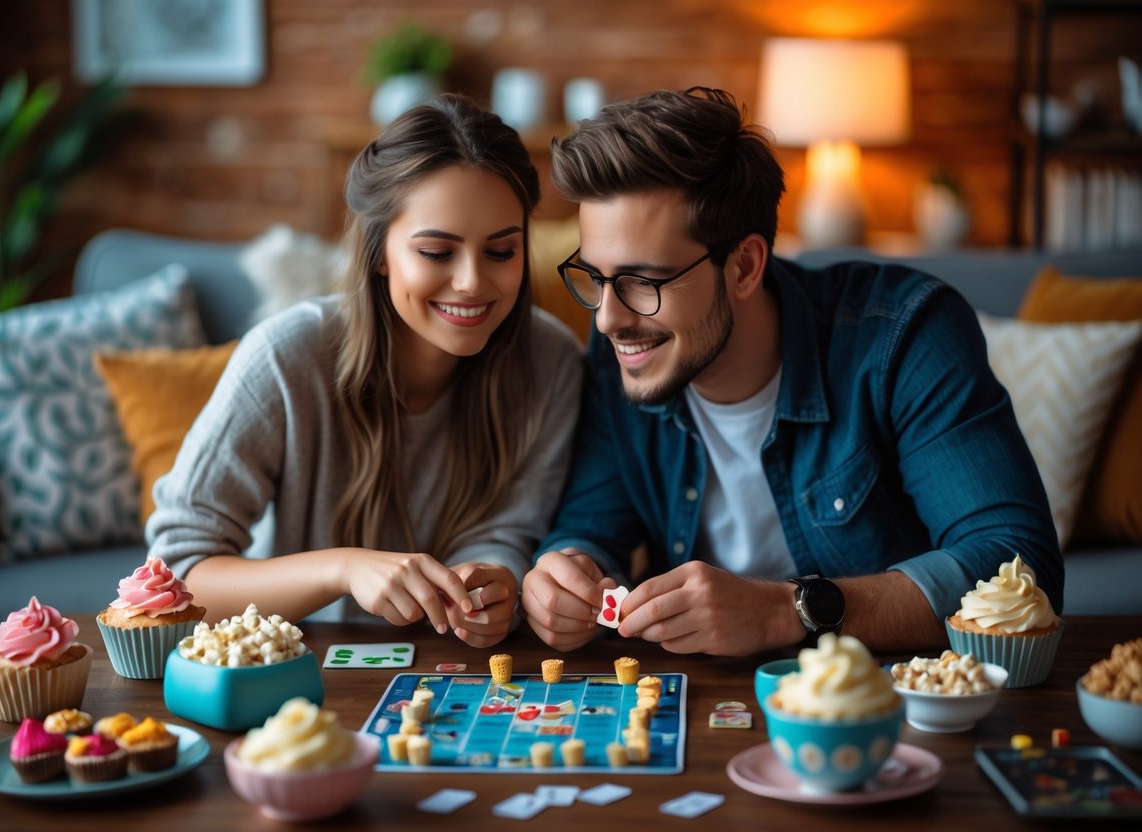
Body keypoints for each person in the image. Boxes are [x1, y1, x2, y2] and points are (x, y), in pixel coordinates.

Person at [521, 87, 1062, 656]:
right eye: (595, 277)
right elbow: (591, 524)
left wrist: (787, 610)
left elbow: (1020, 570)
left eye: (644, 281)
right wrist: (567, 573)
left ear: (745, 266)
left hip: (887, 711)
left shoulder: (905, 334)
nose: (608, 318)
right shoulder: (627, 345)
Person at [147, 95, 583, 648]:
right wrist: (344, 569)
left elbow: (507, 533)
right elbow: (171, 579)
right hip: (292, 670)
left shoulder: (554, 362)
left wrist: (493, 583)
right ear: (380, 252)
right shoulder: (285, 357)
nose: (473, 281)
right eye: (436, 252)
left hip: (448, 679)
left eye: (501, 251)